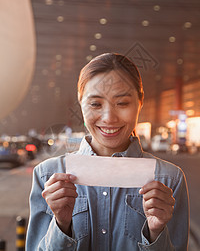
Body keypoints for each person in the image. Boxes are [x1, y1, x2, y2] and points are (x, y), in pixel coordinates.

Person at [26, 53, 189, 250]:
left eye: (122, 103)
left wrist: (155, 233)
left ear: (140, 102)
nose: (109, 118)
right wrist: (61, 224)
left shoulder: (169, 180)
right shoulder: (47, 175)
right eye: (95, 104)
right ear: (81, 104)